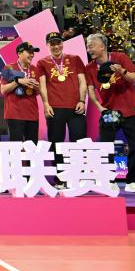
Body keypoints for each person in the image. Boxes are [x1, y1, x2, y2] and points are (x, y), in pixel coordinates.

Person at [85, 33, 135, 193]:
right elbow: (91, 90)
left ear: (103, 46)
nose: (89, 49)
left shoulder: (120, 57)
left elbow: (134, 79)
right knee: (106, 147)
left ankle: (132, 181)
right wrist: (100, 108)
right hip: (110, 112)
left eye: (91, 46)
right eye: (88, 46)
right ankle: (109, 179)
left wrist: (121, 71)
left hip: (130, 110)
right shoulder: (89, 68)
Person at [37, 32, 88, 179]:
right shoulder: (42, 62)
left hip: (75, 106)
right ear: (47, 45)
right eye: (52, 44)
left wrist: (82, 100)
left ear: (62, 43)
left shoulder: (75, 59)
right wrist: (46, 104)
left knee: (79, 140)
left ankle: (78, 175)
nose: (56, 46)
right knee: (56, 142)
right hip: (55, 107)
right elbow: (42, 85)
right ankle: (60, 177)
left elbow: (82, 82)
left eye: (58, 43)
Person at [0, 42, 44, 143]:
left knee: (32, 146)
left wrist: (36, 87)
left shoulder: (35, 69)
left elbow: (38, 92)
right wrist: (18, 81)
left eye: (33, 52)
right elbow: (3, 90)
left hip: (32, 114)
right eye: (29, 52)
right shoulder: (9, 68)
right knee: (16, 146)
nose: (32, 54)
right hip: (15, 114)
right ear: (19, 53)